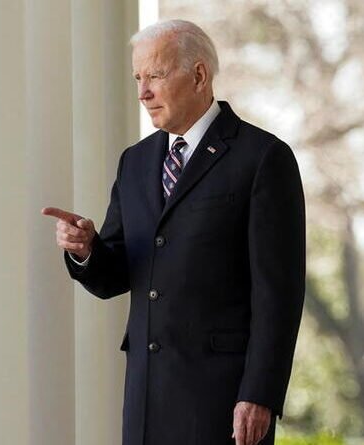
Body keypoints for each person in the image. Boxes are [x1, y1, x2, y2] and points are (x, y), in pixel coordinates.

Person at [42, 20, 305, 445]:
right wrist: (86, 250)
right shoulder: (136, 162)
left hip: (224, 400)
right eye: (137, 78)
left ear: (199, 75)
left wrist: (260, 394)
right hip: (146, 396)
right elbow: (115, 274)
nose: (142, 92)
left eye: (155, 75)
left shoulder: (262, 158)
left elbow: (279, 293)